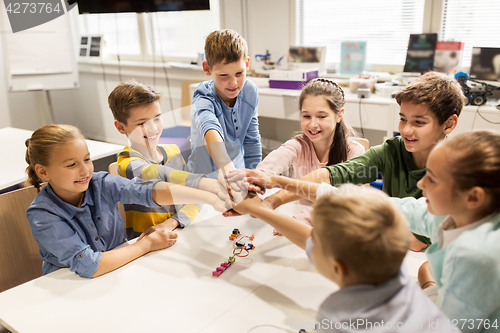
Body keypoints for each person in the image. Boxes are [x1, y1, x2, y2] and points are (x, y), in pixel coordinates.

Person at [230, 71, 467, 251]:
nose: (405, 130)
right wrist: (272, 197)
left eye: (419, 122)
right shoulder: (390, 151)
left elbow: (418, 242)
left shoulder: (457, 172)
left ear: (449, 124)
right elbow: (332, 176)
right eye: (403, 119)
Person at [231, 184, 457, 333]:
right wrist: (260, 210)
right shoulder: (403, 284)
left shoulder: (338, 316)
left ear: (337, 268)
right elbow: (312, 239)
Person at [25, 124, 229, 278]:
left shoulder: (99, 183)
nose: (85, 170)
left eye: (87, 159)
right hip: (70, 285)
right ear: (43, 172)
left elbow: (147, 191)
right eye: (71, 164)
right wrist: (145, 246)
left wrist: (210, 197)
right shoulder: (43, 214)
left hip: (119, 270)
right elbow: (90, 265)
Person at [392, 130, 500, 331]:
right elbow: (405, 209)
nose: (420, 183)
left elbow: (448, 327)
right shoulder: (461, 213)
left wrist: (428, 291)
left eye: (431, 179)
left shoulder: (476, 255)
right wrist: (323, 192)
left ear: (473, 197)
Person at [109, 80, 228, 240]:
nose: (152, 128)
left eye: (157, 118)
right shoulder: (127, 163)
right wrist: (207, 187)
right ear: (121, 127)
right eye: (142, 123)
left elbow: (194, 199)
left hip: (179, 232)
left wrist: (172, 222)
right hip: (148, 244)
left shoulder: (173, 152)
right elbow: (158, 174)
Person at [186, 29, 262, 194]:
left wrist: (254, 174)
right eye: (223, 75)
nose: (233, 82)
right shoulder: (203, 96)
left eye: (239, 73)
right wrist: (225, 165)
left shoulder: (250, 91)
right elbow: (210, 128)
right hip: (204, 180)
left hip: (236, 173)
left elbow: (252, 139)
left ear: (247, 64)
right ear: (207, 68)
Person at [256, 78, 364, 179]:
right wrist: (256, 177)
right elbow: (268, 167)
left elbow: (346, 195)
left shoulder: (354, 151)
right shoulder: (297, 146)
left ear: (339, 115)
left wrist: (282, 183)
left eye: (321, 116)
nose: (312, 124)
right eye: (306, 116)